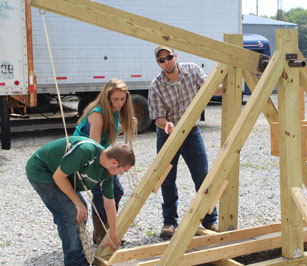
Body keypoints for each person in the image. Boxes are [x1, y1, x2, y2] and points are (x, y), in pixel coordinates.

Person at [148, 45, 222, 239]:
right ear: (158, 63)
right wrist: (167, 125)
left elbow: (212, 89)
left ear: (176, 56)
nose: (166, 62)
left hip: (191, 132)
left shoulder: (193, 70)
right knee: (167, 179)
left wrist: (230, 81)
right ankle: (170, 222)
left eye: (169, 57)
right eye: (162, 60)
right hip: (168, 135)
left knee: (202, 176)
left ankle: (209, 219)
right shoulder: (156, 85)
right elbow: (158, 118)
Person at [26, 136, 135, 266]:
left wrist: (113, 234)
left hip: (60, 176)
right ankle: (74, 261)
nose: (121, 174)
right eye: (124, 171)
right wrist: (77, 203)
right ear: (114, 163)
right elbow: (59, 177)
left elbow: (109, 203)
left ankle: (79, 252)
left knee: (81, 210)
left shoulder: (107, 173)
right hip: (42, 170)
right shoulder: (85, 151)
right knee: (70, 212)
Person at [74, 78, 136, 244]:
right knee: (105, 194)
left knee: (115, 192)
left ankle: (105, 231)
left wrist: (124, 127)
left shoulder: (114, 111)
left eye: (123, 99)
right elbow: (93, 147)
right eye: (116, 99)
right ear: (107, 97)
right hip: (87, 158)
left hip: (102, 157)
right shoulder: (97, 114)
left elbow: (107, 135)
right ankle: (102, 235)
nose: (120, 103)